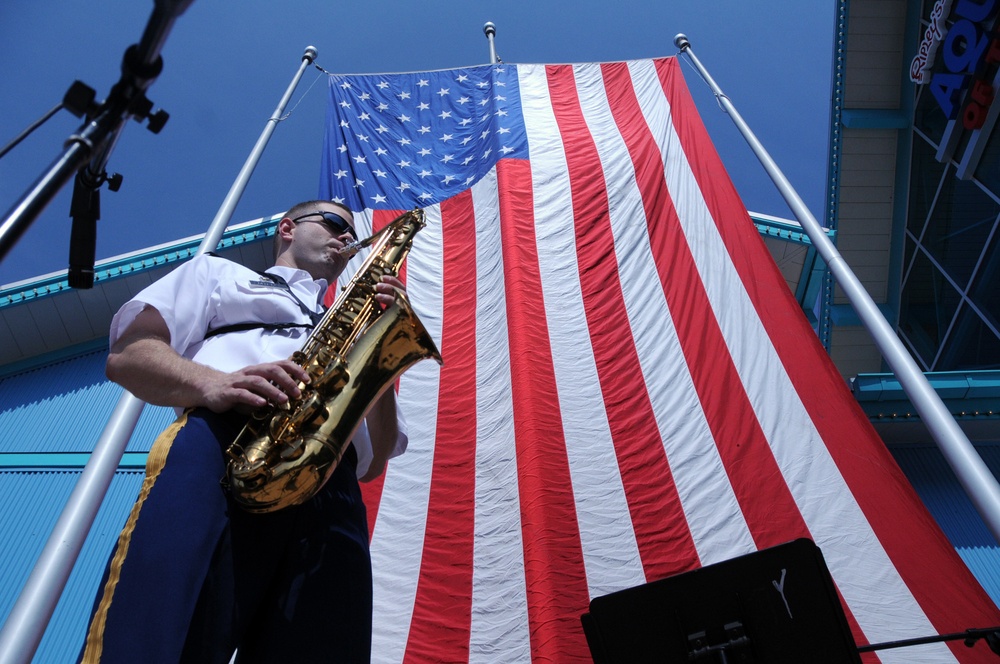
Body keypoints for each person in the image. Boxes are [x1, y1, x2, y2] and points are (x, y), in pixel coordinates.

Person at [80, 200, 407, 663]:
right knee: (163, 626)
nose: (346, 239)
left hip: (330, 480)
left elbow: (378, 458)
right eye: (335, 224)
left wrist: (383, 345)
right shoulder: (217, 274)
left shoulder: (356, 323)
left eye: (350, 233)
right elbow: (128, 355)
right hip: (225, 439)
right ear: (289, 228)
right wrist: (214, 382)